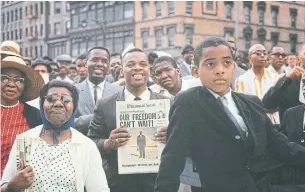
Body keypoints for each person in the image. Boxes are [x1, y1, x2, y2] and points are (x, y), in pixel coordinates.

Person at [154, 37, 305, 192]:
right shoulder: (188, 102)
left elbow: (281, 145)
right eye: (210, 63)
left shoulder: (251, 103)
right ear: (196, 71)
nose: (220, 69)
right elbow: (172, 159)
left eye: (226, 62)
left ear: (234, 67)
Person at [1, 80, 110, 192]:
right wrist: (12, 186)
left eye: (66, 99)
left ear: (74, 106)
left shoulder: (86, 146)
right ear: (42, 104)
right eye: (51, 99)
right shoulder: (24, 140)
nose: (58, 103)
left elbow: (100, 189)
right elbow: (4, 186)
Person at [87, 48, 168, 192]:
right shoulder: (105, 105)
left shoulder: (168, 103)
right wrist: (108, 143)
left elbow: (183, 142)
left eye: (142, 64)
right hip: (119, 184)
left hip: (158, 183)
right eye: (130, 64)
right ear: (122, 70)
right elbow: (91, 142)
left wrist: (171, 138)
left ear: (149, 69)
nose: (137, 68)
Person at [1, 56, 44, 176]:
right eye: (4, 78)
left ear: (25, 86)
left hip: (17, 182)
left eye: (18, 80)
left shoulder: (34, 115)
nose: (11, 84)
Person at [75, 47, 122, 135]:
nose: (100, 64)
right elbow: (67, 122)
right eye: (95, 60)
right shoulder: (73, 91)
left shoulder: (120, 92)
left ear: (108, 66)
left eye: (104, 61)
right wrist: (98, 117)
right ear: (86, 64)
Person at [235, 44, 280, 125]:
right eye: (258, 53)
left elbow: (279, 104)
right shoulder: (241, 80)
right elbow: (242, 106)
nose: (262, 56)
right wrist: (267, 109)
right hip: (254, 124)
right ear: (249, 58)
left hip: (274, 123)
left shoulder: (275, 78)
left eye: (264, 53)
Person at [262, 47, 305, 121]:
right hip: (290, 130)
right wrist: (287, 78)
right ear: (299, 59)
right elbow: (267, 104)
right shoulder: (287, 80)